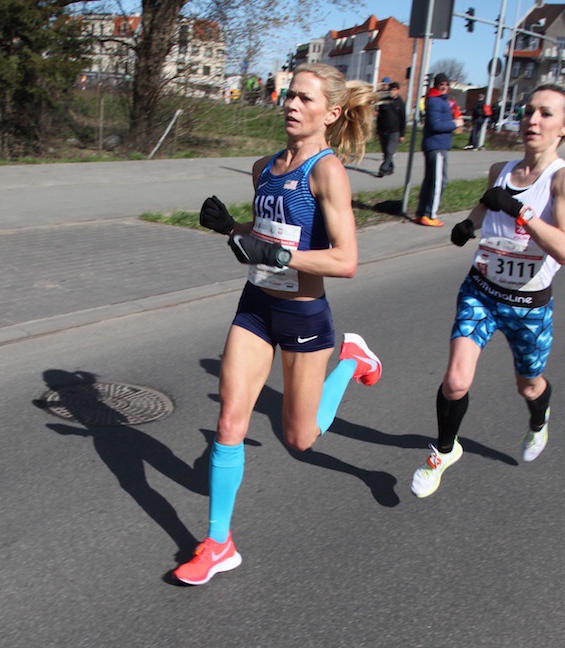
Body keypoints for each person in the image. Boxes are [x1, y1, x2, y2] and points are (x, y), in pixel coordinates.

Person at [173, 63, 382, 585]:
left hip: (303, 315)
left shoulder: (327, 173)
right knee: (230, 421)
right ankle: (218, 544)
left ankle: (351, 361)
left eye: (305, 99)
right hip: (255, 306)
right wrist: (231, 227)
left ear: (331, 113)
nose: (291, 104)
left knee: (301, 438)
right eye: (290, 95)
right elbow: (265, 232)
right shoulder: (263, 168)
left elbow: (346, 260)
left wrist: (281, 256)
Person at [409, 82, 565, 498]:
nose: (532, 120)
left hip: (528, 305)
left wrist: (521, 213)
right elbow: (490, 201)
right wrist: (468, 225)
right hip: (482, 292)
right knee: (455, 380)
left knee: (529, 385)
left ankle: (539, 420)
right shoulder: (501, 170)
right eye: (528, 111)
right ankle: (444, 451)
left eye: (545, 114)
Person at [415, 73, 463, 227]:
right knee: (439, 181)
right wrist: (455, 124)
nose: (444, 87)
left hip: (437, 145)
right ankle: (430, 214)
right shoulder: (435, 101)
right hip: (437, 146)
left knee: (430, 181)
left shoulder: (441, 101)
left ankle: (422, 213)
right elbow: (435, 125)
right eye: (441, 84)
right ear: (436, 86)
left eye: (446, 84)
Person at [375, 81, 406, 178]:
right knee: (386, 152)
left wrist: (402, 134)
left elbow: (403, 119)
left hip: (395, 131)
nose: (392, 92)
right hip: (383, 130)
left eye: (394, 90)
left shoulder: (400, 103)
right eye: (390, 90)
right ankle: (390, 168)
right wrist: (378, 130)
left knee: (389, 150)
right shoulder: (385, 102)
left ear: (398, 91)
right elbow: (379, 117)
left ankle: (383, 169)